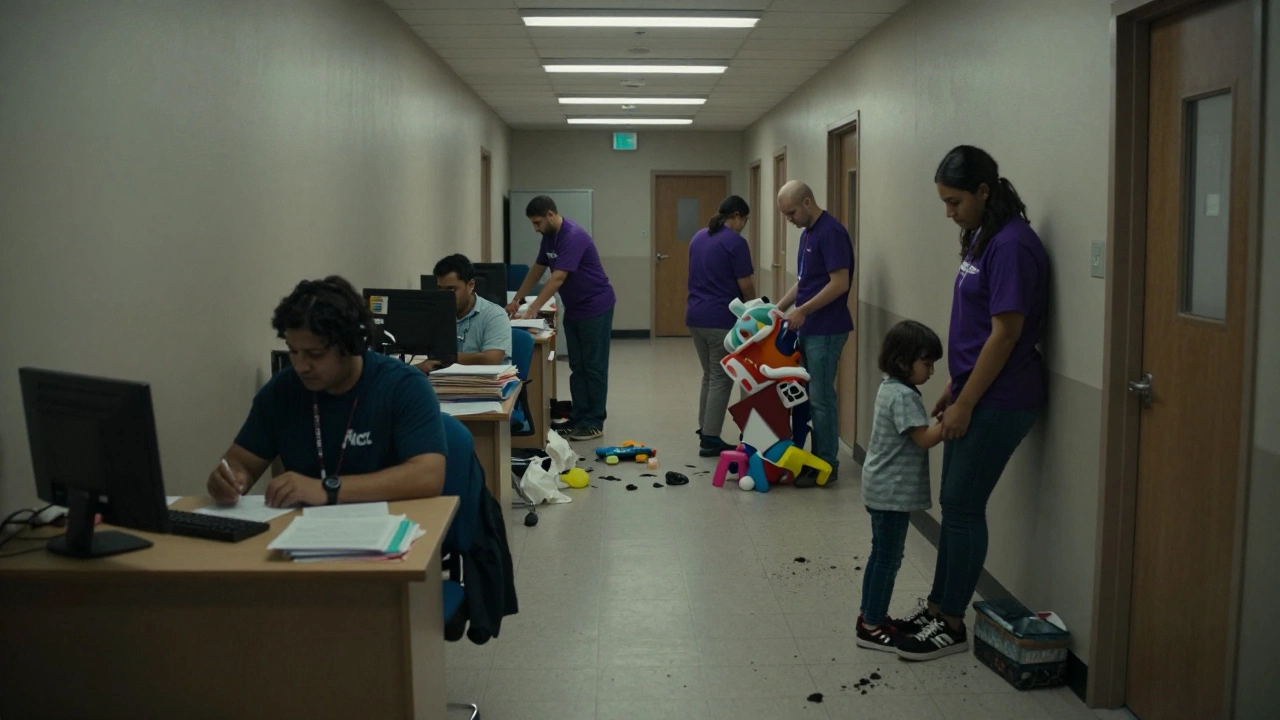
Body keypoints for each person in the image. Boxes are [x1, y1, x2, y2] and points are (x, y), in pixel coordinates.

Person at [895, 146, 1048, 662]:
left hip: (1001, 398)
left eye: (954, 201)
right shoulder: (984, 236)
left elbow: (1005, 335)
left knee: (963, 507)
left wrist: (967, 402)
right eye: (944, 201)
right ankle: (938, 606)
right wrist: (954, 389)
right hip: (974, 391)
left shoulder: (1013, 246)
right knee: (953, 505)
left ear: (984, 190)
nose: (949, 212)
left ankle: (952, 623)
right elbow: (977, 327)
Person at [207, 276, 447, 508]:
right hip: (304, 529)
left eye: (315, 354)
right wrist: (230, 480)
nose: (300, 366)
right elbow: (241, 462)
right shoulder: (281, 391)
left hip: (395, 526)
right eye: (293, 351)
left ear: (351, 345)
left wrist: (328, 489)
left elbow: (428, 476)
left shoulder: (403, 386)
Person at [856, 321, 945, 651]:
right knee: (889, 560)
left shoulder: (889, 387)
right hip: (891, 494)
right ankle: (872, 626)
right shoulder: (905, 397)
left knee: (879, 554)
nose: (931, 371)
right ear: (903, 362)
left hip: (880, 487)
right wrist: (952, 419)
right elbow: (924, 439)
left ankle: (869, 615)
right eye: (927, 363)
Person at [507, 195, 617, 441]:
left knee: (593, 366)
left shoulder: (572, 236)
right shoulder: (549, 237)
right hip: (575, 308)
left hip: (596, 306)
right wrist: (517, 299)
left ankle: (594, 421)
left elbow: (558, 277)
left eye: (537, 222)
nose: (535, 228)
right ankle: (578, 418)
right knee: (577, 366)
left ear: (550, 214)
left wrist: (533, 308)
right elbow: (537, 270)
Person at [774, 180, 854, 485]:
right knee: (807, 398)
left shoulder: (831, 232)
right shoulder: (808, 233)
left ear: (807, 202)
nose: (789, 219)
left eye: (791, 212)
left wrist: (803, 310)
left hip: (827, 329)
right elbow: (805, 281)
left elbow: (840, 283)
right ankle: (813, 457)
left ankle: (826, 464)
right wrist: (778, 309)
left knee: (821, 399)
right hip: (809, 328)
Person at [686, 195, 755, 456]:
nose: (743, 226)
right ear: (737, 216)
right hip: (720, 320)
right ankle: (710, 438)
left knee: (709, 375)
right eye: (744, 220)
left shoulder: (698, 237)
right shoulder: (736, 242)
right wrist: (753, 308)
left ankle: (705, 428)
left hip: (695, 317)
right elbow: (745, 284)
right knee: (721, 378)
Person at [415, 253, 511, 374]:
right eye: (440, 289)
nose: (445, 296)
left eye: (451, 289)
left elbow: (492, 360)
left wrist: (446, 359)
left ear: (471, 285)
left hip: (485, 382)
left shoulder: (494, 315)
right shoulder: (436, 313)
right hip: (443, 380)